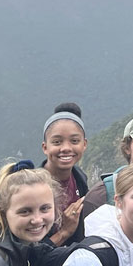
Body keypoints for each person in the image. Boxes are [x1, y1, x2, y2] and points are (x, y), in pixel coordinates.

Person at [41, 102, 89, 246]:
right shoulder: (31, 187)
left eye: (74, 141)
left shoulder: (80, 178)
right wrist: (64, 232)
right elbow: (29, 255)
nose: (66, 148)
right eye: (57, 142)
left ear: (84, 144)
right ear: (45, 147)